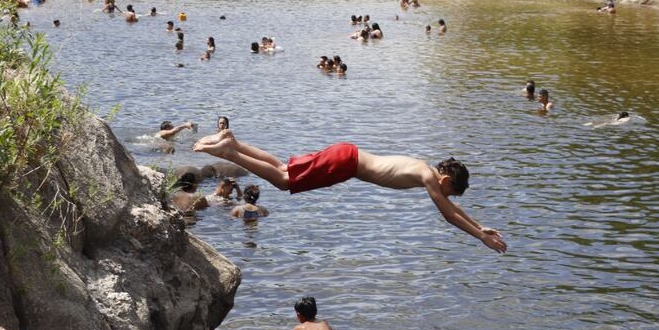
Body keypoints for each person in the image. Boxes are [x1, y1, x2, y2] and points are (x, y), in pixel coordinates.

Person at [193, 130, 507, 252]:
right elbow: (448, 215)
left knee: (283, 168)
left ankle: (234, 143)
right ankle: (230, 153)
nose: (447, 197)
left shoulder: (424, 168)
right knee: (284, 181)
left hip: (347, 154)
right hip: (346, 163)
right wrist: (479, 237)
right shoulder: (427, 176)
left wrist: (480, 226)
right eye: (450, 192)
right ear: (446, 180)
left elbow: (452, 210)